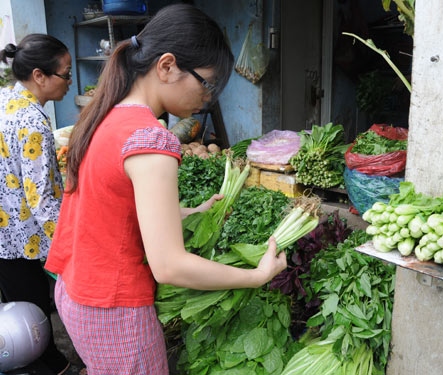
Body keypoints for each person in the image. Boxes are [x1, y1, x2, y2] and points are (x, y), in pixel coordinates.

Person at [44, 4, 287, 375]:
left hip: (77, 292)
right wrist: (257, 276)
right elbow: (170, 266)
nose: (207, 99)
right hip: (114, 310)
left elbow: (110, 209)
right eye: (206, 84)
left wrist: (189, 213)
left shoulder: (105, 115)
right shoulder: (152, 139)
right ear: (168, 66)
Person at [0, 34, 72, 374]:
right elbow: (40, 199)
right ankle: (49, 366)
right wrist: (69, 248)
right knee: (35, 314)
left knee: (22, 303)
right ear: (40, 76)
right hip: (20, 235)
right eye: (66, 74)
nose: (70, 83)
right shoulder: (31, 122)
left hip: (5, 229)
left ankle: (49, 362)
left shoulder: (6, 102)